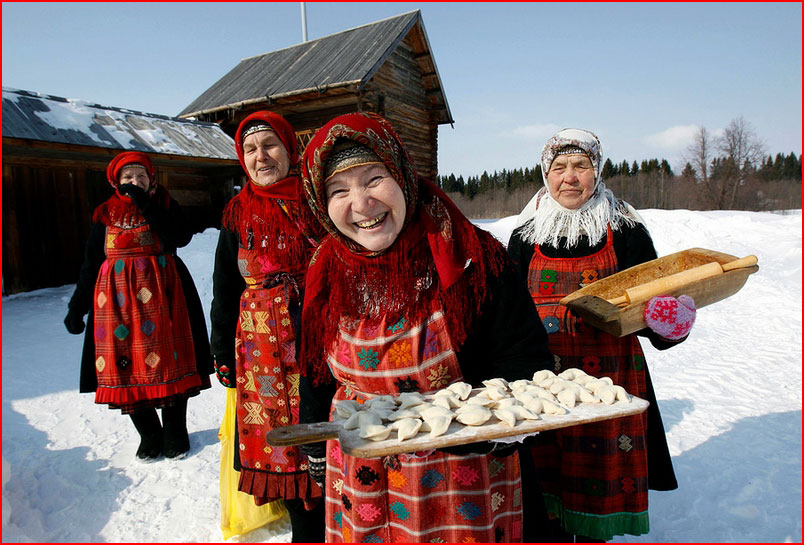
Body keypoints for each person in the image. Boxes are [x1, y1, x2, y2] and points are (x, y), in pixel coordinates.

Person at [297, 112, 555, 543]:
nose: (360, 204)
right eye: (339, 190)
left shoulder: (471, 258)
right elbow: (315, 370)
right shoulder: (325, 269)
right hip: (361, 474)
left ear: (402, 177)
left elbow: (525, 359)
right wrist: (313, 445)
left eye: (374, 180)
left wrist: (482, 431)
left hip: (460, 475)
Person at [507, 128, 692, 541]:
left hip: (611, 386)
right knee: (543, 498)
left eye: (581, 165)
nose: (569, 177)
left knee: (595, 497)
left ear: (597, 171)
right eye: (559, 167)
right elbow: (506, 315)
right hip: (542, 388)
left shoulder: (625, 230)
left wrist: (670, 324)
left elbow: (653, 311)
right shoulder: (524, 235)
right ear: (545, 173)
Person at [209, 111, 324, 542]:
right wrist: (221, 352)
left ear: (289, 150)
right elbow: (224, 287)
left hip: (315, 337)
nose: (261, 157)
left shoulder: (317, 203)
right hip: (260, 354)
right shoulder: (236, 215)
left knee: (322, 437)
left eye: (270, 145)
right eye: (250, 149)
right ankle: (305, 530)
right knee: (282, 449)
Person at [64, 151, 213, 460]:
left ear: (151, 180)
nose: (135, 182)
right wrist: (76, 307)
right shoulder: (104, 215)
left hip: (164, 296)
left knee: (171, 361)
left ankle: (175, 431)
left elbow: (180, 237)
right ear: (115, 183)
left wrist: (146, 204)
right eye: (128, 178)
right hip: (116, 305)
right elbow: (90, 264)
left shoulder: (165, 206)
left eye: (141, 177)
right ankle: (149, 433)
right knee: (125, 365)